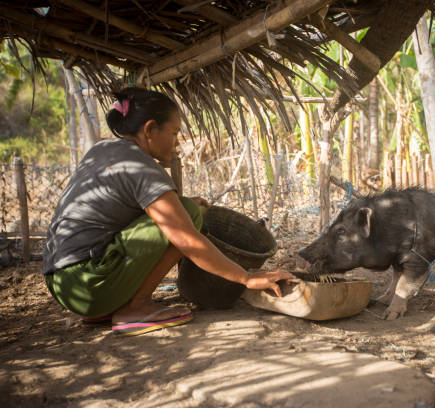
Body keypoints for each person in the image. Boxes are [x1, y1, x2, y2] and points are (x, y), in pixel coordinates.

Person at [42, 87, 293, 336]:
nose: (177, 144)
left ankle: (110, 305)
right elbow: (187, 240)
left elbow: (117, 209)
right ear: (150, 129)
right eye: (174, 133)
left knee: (185, 207)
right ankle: (136, 307)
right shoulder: (141, 166)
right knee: (188, 213)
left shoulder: (102, 151)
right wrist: (246, 277)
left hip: (63, 284)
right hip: (89, 285)